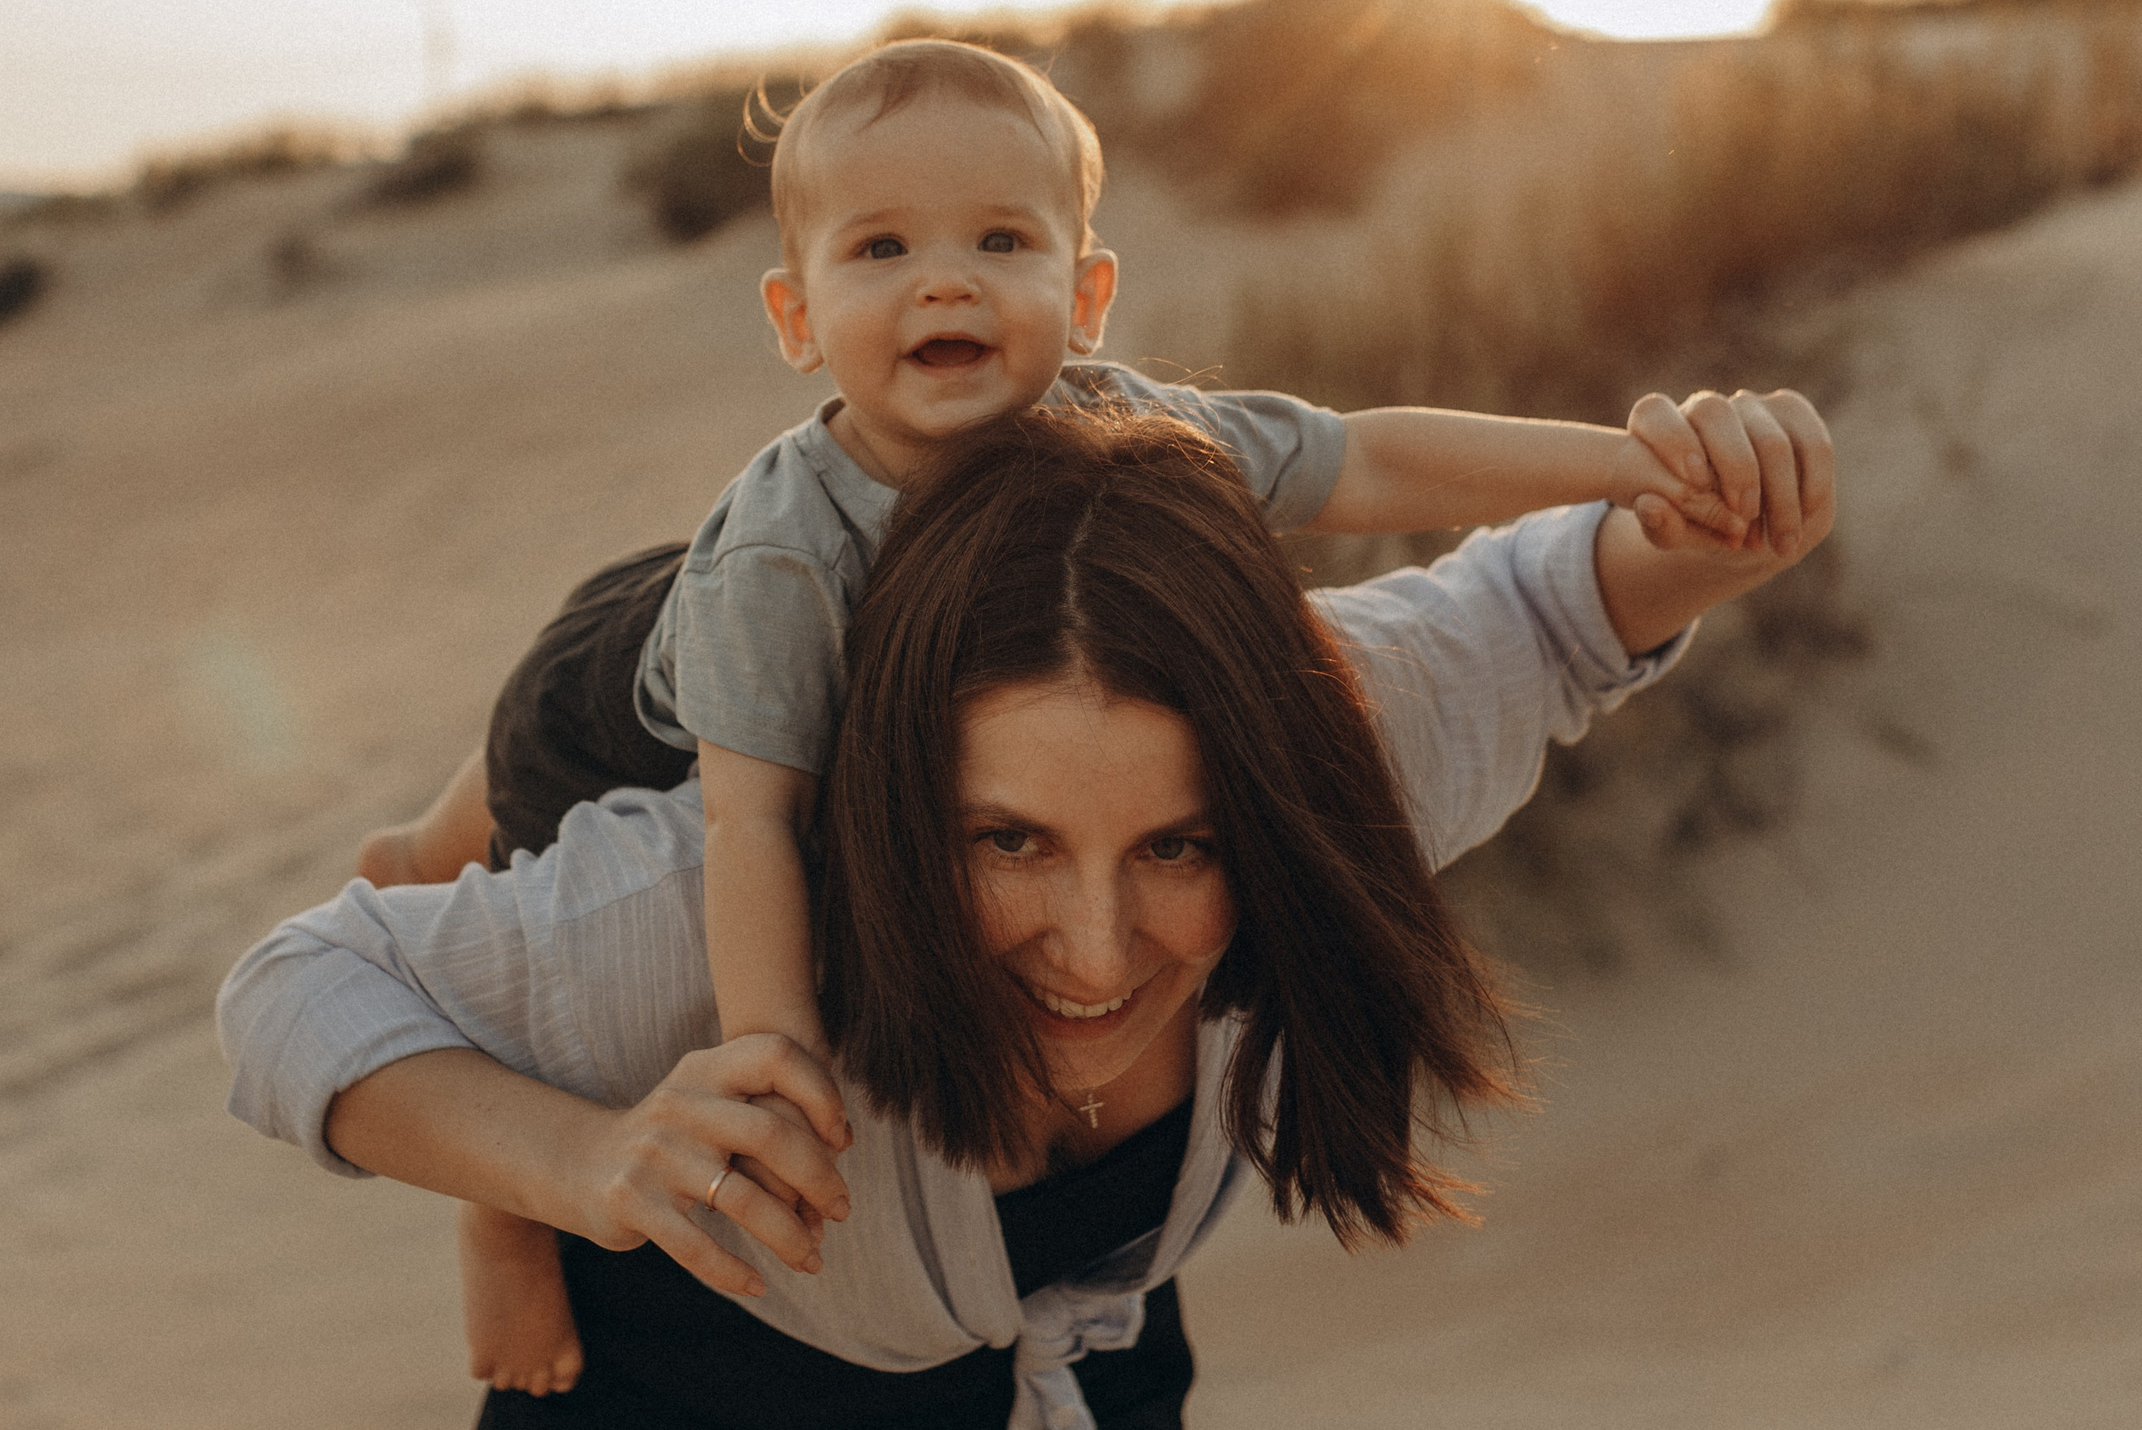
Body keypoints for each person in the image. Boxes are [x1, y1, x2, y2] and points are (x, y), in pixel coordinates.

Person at [354, 38, 1764, 1394]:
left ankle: (420, 848)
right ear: (797, 320)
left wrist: (1630, 469)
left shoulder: (1132, 426)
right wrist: (773, 1053)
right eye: (881, 249)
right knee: (507, 903)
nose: (944, 285)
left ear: (1087, 295)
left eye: (1001, 243)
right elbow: (749, 824)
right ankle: (487, 1185)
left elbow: (1372, 455)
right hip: (624, 698)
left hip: (695, 621)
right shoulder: (788, 563)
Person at [224, 394, 1834, 1428]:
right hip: (690, 1385)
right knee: (472, 848)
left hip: (1081, 1376)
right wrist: (569, 1164)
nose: (1094, 947)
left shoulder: (1334, 756)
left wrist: (1726, 511)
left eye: (1180, 851)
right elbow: (300, 992)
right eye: (1006, 842)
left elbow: (1559, 601)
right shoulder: (712, 888)